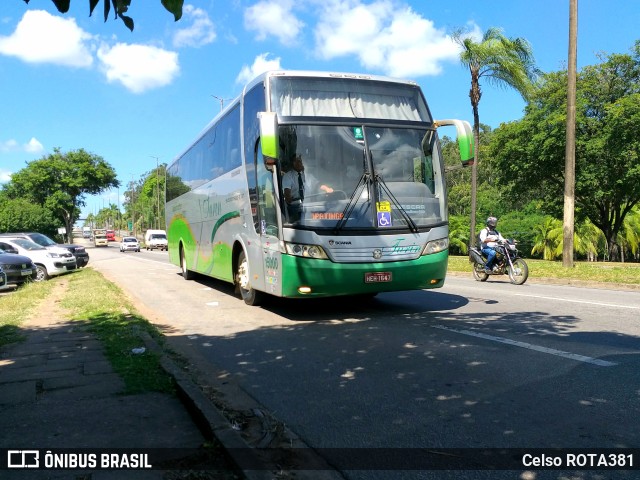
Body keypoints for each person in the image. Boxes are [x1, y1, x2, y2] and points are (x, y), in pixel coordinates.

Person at [282, 155, 333, 220]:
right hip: (294, 208)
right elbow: (287, 192)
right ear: (293, 163)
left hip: (309, 206)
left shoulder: (308, 176)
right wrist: (288, 197)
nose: (299, 163)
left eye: (301, 161)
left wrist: (327, 189)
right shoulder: (288, 176)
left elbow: (318, 185)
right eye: (297, 161)